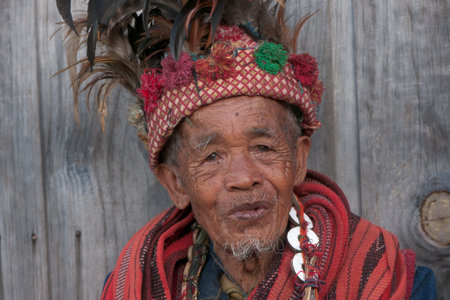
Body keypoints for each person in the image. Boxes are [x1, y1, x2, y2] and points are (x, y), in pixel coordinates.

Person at [56, 0, 435, 299]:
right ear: (175, 183)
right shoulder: (142, 286)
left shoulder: (388, 281)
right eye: (212, 157)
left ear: (300, 158)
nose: (243, 178)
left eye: (264, 147)